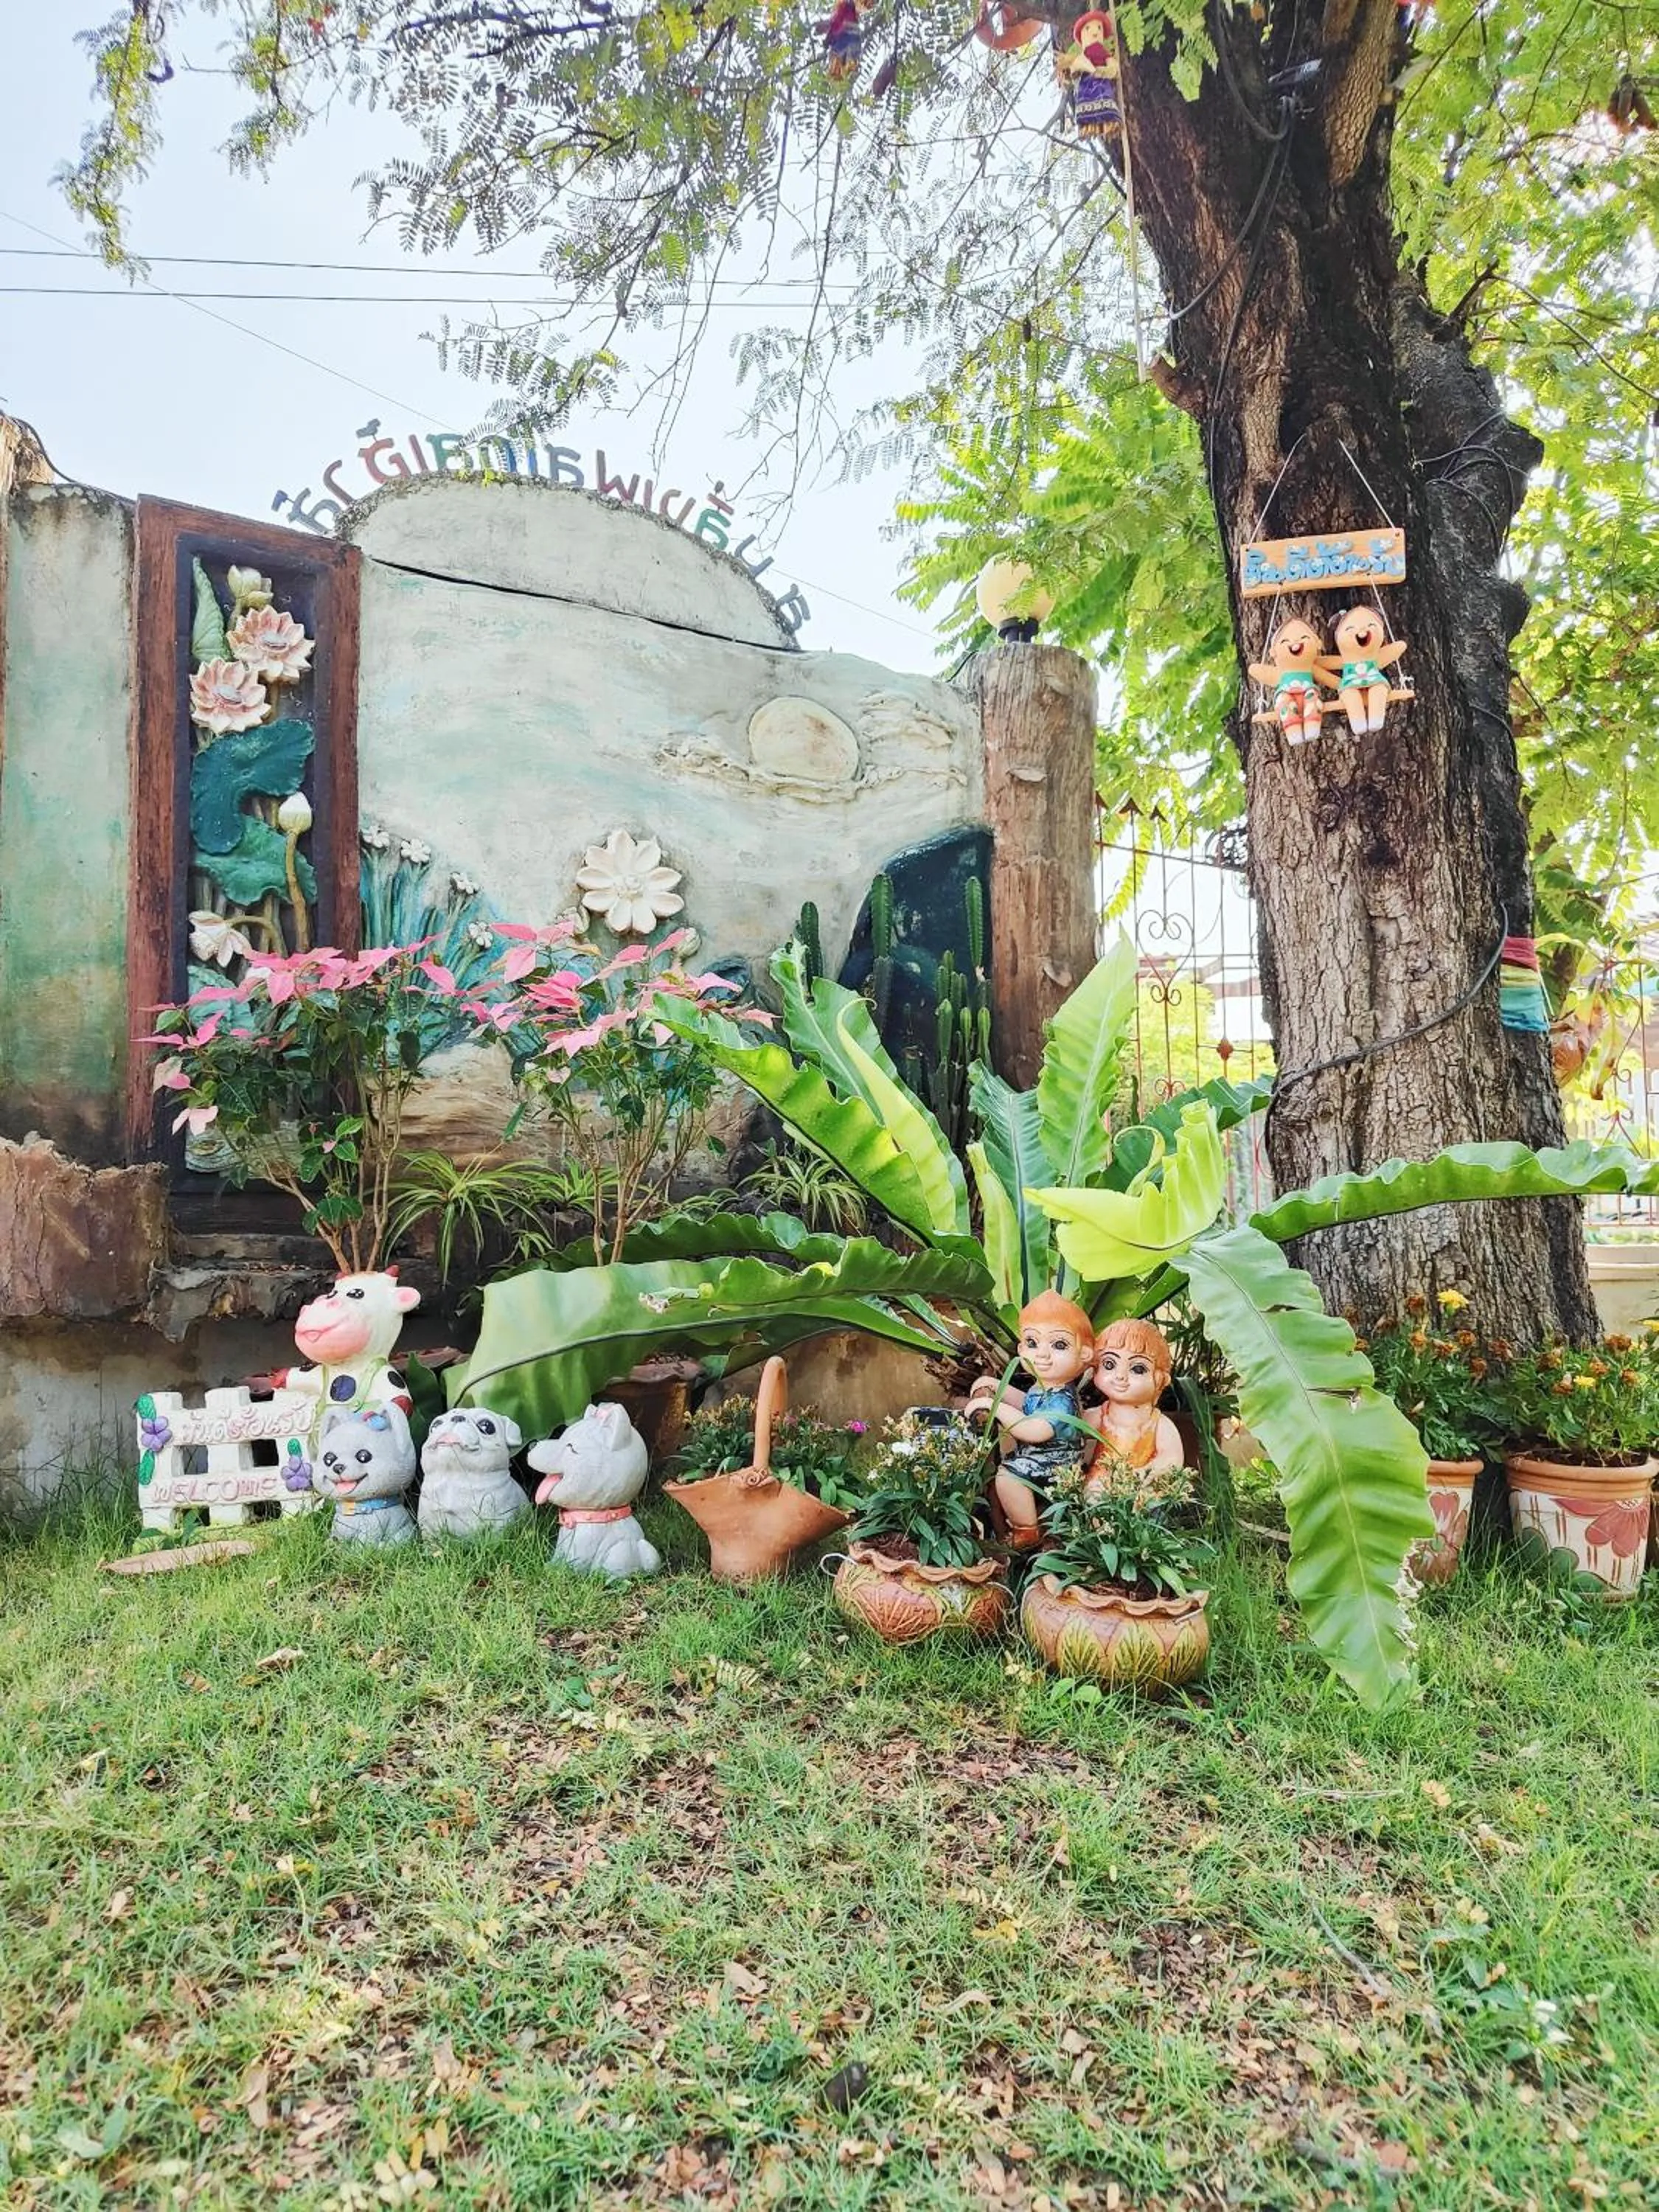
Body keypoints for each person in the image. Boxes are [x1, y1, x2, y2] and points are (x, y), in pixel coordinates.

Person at [968, 1290, 1095, 1550]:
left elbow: (1036, 1429)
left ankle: (1027, 1529)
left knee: (1008, 1477)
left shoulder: (1062, 1399)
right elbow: (1025, 1403)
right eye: (1032, 1343)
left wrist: (993, 1407)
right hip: (1035, 1459)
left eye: (1059, 1345)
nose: (1043, 1355)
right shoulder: (1041, 1388)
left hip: (1058, 1465)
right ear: (1020, 1349)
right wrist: (994, 1387)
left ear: (1084, 1355)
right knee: (1002, 1474)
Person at [1086, 1318, 1186, 1503]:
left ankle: (1132, 1530)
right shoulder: (1102, 1416)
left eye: (1138, 1369)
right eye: (1109, 1364)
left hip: (1140, 1488)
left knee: (1141, 1506)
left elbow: (1171, 1459)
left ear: (1160, 1379)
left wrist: (1141, 1476)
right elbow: (1069, 1427)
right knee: (1095, 1497)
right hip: (1101, 1483)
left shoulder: (1158, 1424)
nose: (1120, 1376)